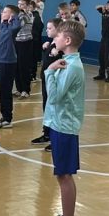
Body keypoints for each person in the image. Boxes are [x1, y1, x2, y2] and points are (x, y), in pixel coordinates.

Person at [40, 19, 87, 216]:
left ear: (67, 40)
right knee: (62, 175)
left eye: (57, 36)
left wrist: (49, 72)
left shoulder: (72, 67)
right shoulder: (66, 61)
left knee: (65, 176)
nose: (54, 39)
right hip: (58, 123)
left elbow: (55, 97)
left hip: (65, 127)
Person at [31, 18, 62, 149]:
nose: (47, 30)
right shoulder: (51, 44)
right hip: (46, 80)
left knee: (54, 108)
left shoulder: (60, 47)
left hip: (54, 81)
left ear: (58, 30)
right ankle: (47, 133)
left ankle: (55, 138)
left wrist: (57, 52)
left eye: (50, 28)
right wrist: (46, 48)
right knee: (47, 107)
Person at [0, 5, 21, 129]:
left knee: (6, 91)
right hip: (0, 61)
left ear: (12, 15)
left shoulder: (13, 27)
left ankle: (7, 118)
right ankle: (4, 116)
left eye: (5, 12)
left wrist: (14, 17)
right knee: (2, 91)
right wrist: (6, 19)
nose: (2, 13)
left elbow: (17, 26)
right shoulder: (3, 25)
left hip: (8, 62)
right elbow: (0, 21)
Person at [14, 0, 36, 97]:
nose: (19, 6)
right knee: (16, 66)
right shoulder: (18, 14)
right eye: (18, 4)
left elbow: (21, 24)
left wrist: (20, 14)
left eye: (22, 4)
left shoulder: (29, 15)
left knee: (24, 67)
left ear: (27, 6)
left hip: (26, 42)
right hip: (17, 42)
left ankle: (26, 90)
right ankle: (19, 88)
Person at [94, 0, 109, 82]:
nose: (107, 6)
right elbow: (96, 7)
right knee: (101, 56)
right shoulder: (104, 11)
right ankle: (102, 74)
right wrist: (104, 6)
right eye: (107, 4)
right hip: (103, 37)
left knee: (108, 57)